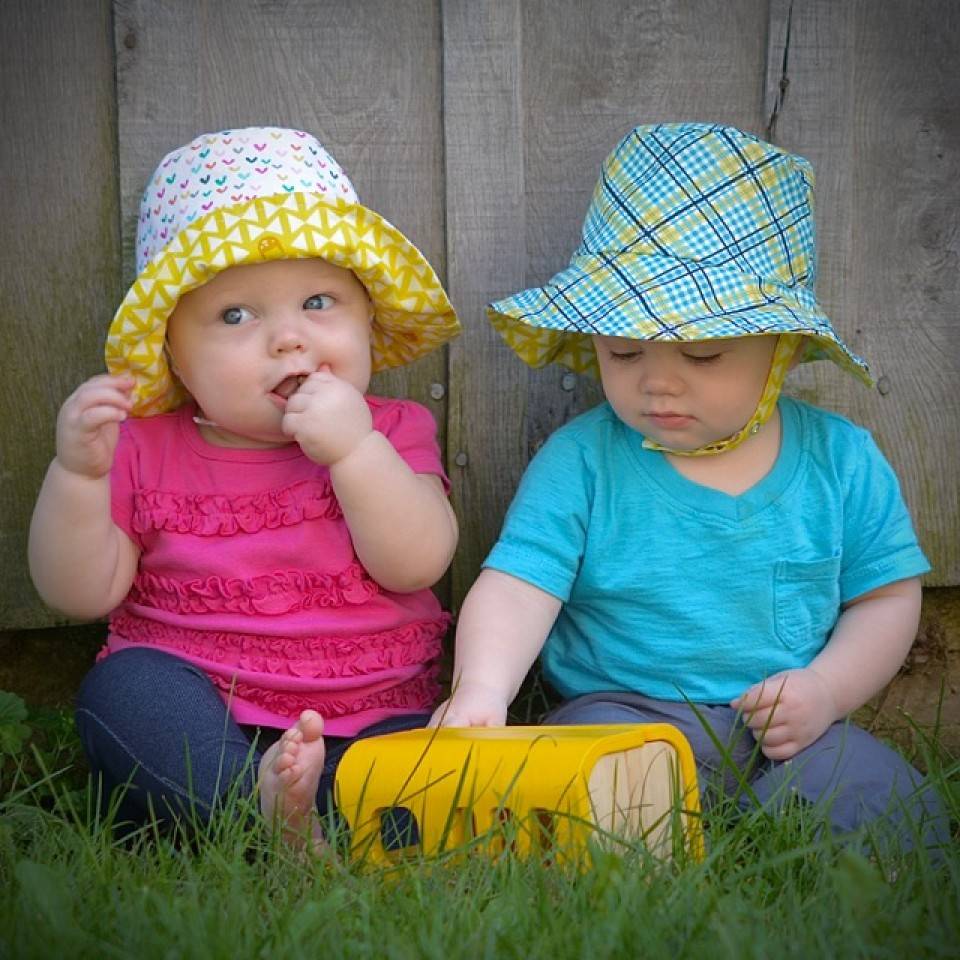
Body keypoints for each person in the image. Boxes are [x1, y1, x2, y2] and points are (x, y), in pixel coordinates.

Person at [431, 122, 947, 853]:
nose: (659, 379)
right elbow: (519, 586)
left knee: (881, 803)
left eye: (704, 352)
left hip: (788, 727)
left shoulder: (841, 461)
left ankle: (790, 837)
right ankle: (643, 848)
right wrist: (481, 691)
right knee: (582, 788)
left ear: (783, 348)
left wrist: (828, 689)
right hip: (622, 713)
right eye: (624, 349)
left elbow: (886, 597)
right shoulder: (583, 461)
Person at [28, 126, 461, 845]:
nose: (289, 338)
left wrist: (355, 451)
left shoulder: (390, 429)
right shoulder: (144, 447)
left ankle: (301, 827)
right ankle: (250, 809)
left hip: (370, 722)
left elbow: (415, 563)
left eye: (319, 302)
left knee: (437, 762)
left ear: (367, 317)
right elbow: (79, 594)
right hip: (200, 723)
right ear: (173, 352)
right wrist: (78, 475)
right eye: (236, 315)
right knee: (122, 693)